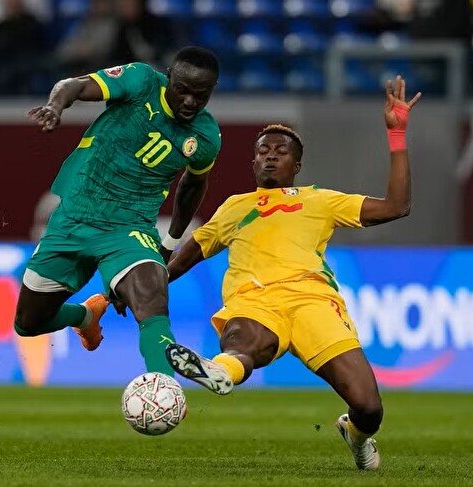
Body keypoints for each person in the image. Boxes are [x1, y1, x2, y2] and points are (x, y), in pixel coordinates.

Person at [164, 76, 420, 471]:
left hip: (313, 303)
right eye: (262, 151)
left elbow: (396, 206)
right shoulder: (234, 207)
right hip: (254, 301)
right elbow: (185, 258)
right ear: (253, 162)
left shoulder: (321, 201)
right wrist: (136, 289)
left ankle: (355, 433)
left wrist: (397, 134)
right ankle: (220, 371)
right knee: (246, 343)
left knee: (369, 408)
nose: (270, 156)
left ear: (296, 165)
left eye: (280, 151)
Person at [13, 46, 222, 378]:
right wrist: (55, 106)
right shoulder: (140, 81)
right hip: (75, 216)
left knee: (152, 298)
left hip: (129, 228)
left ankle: (164, 389)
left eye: (201, 95)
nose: (190, 101)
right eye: (183, 90)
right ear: (169, 77)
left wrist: (168, 244)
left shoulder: (206, 136)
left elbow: (193, 186)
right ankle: (85, 317)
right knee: (28, 322)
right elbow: (74, 85)